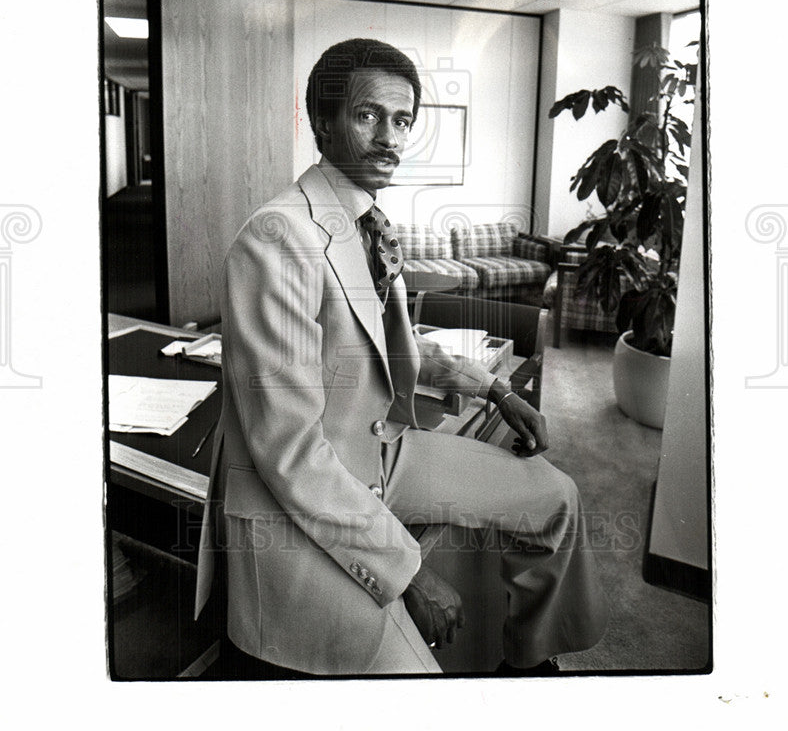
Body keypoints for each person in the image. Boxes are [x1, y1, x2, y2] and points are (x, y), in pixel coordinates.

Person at [195, 37, 608, 676]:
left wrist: (496, 390)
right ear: (322, 123)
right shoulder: (277, 240)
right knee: (415, 683)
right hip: (304, 491)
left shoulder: (368, 223)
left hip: (382, 449)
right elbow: (290, 452)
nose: (390, 136)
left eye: (403, 119)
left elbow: (391, 351)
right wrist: (406, 568)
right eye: (368, 116)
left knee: (557, 499)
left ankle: (526, 670)